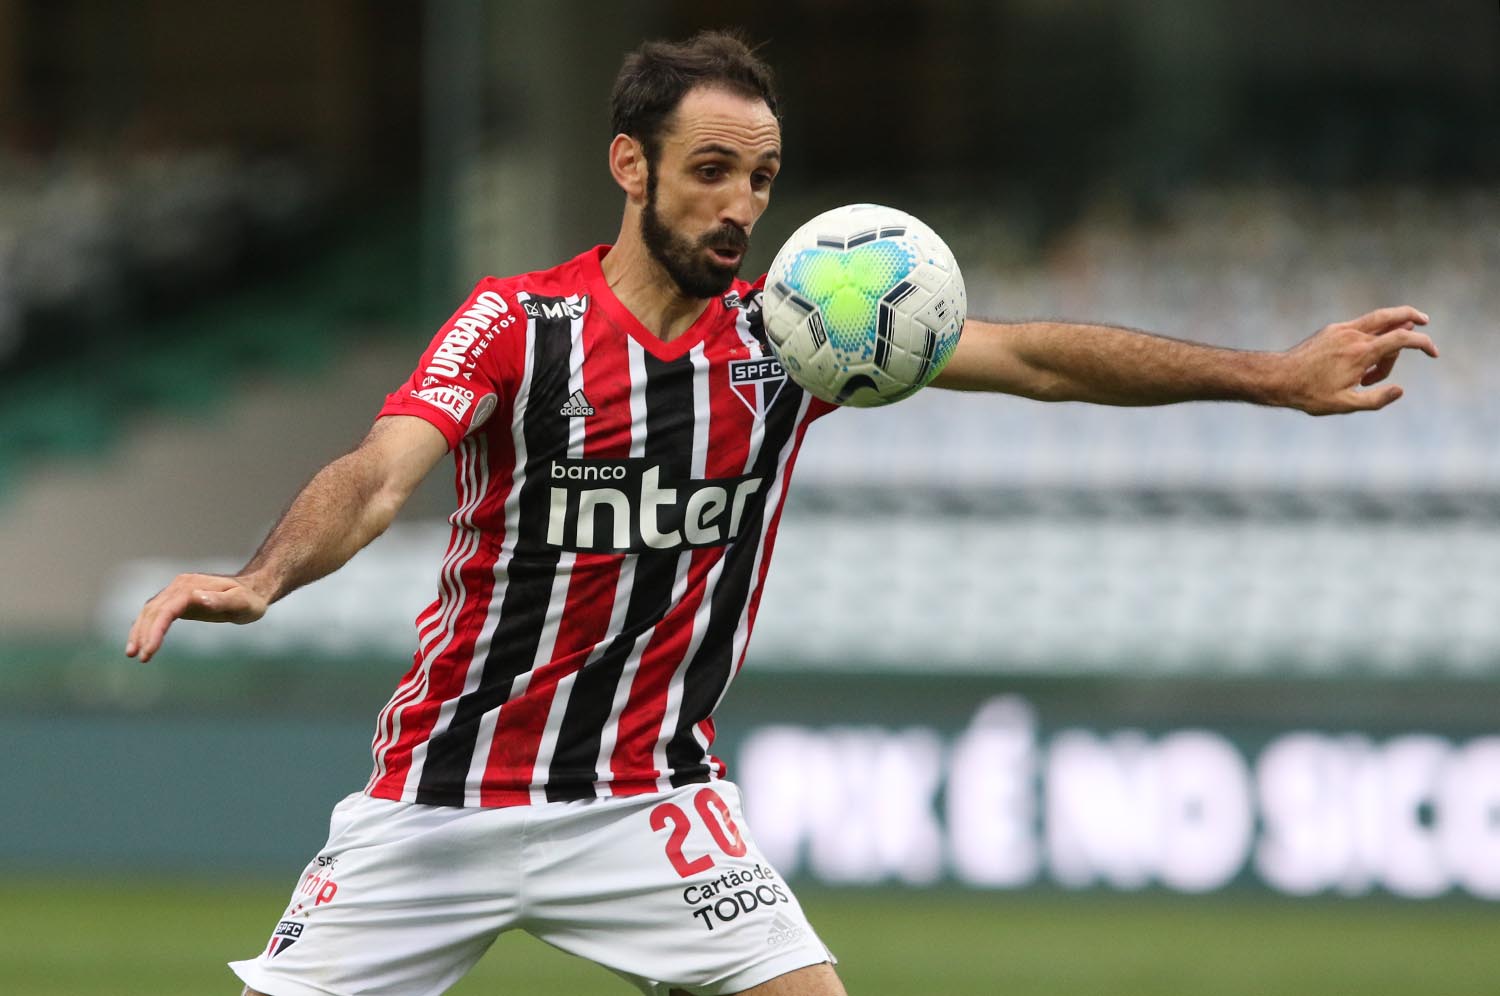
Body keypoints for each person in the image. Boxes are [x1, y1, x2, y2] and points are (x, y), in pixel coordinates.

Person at [125, 29, 1436, 996]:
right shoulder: (517, 324)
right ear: (630, 164)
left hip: (645, 799)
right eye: (711, 170)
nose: (742, 206)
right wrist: (259, 579)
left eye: (761, 177)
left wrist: (1272, 377)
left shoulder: (795, 340)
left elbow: (1035, 358)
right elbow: (379, 473)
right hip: (441, 795)